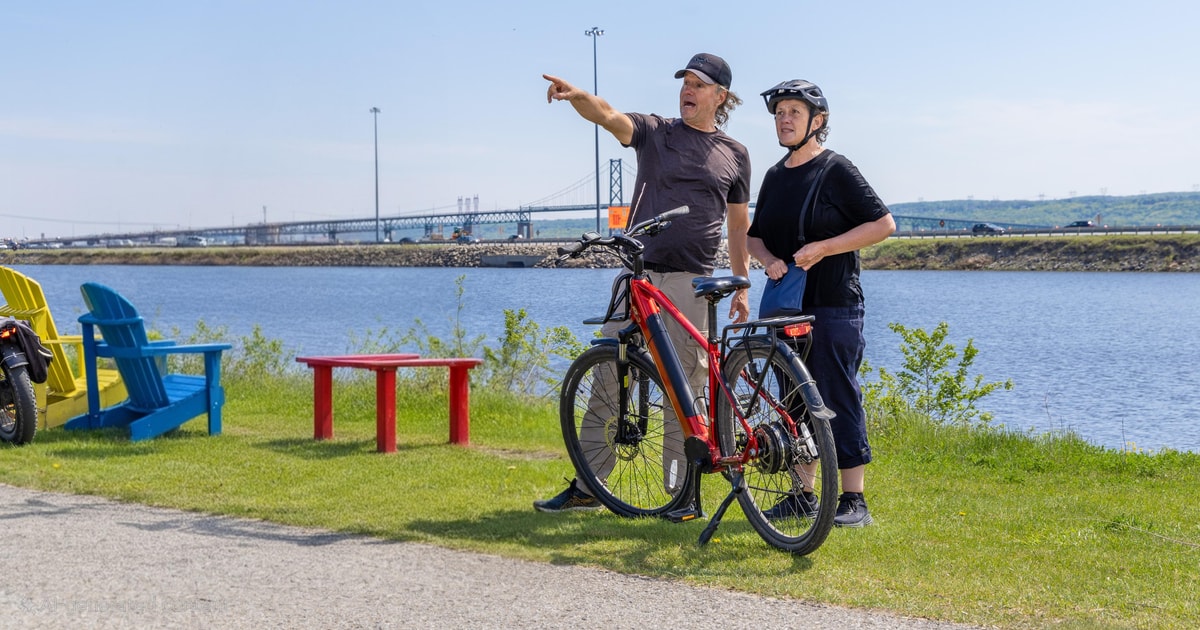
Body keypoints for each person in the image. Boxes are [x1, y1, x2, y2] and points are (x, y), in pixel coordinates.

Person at [534, 53, 753, 512]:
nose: (687, 90)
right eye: (685, 82)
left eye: (698, 84)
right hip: (638, 275)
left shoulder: (735, 154)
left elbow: (737, 227)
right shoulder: (657, 132)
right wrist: (577, 97)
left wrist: (742, 284)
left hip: (693, 281)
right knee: (607, 375)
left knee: (686, 387)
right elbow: (610, 116)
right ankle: (590, 486)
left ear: (721, 96)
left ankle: (683, 494)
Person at [746, 79, 896, 527]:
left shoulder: (836, 169)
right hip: (786, 307)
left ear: (818, 121)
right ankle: (802, 494)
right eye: (779, 113)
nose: (784, 120)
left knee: (837, 394)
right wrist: (768, 258)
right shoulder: (775, 175)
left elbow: (883, 224)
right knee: (792, 399)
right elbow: (754, 236)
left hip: (833, 303)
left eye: (794, 112)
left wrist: (824, 248)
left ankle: (854, 500)